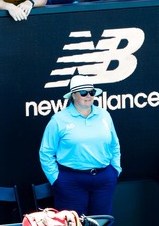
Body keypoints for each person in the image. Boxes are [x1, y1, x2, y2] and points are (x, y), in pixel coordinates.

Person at [39, 75, 121, 216]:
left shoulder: (104, 115)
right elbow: (45, 152)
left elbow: (115, 145)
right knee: (73, 222)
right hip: (71, 181)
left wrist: (115, 170)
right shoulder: (59, 120)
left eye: (91, 92)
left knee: (102, 221)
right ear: (74, 96)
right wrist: (57, 179)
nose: (88, 96)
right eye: (83, 92)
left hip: (104, 179)